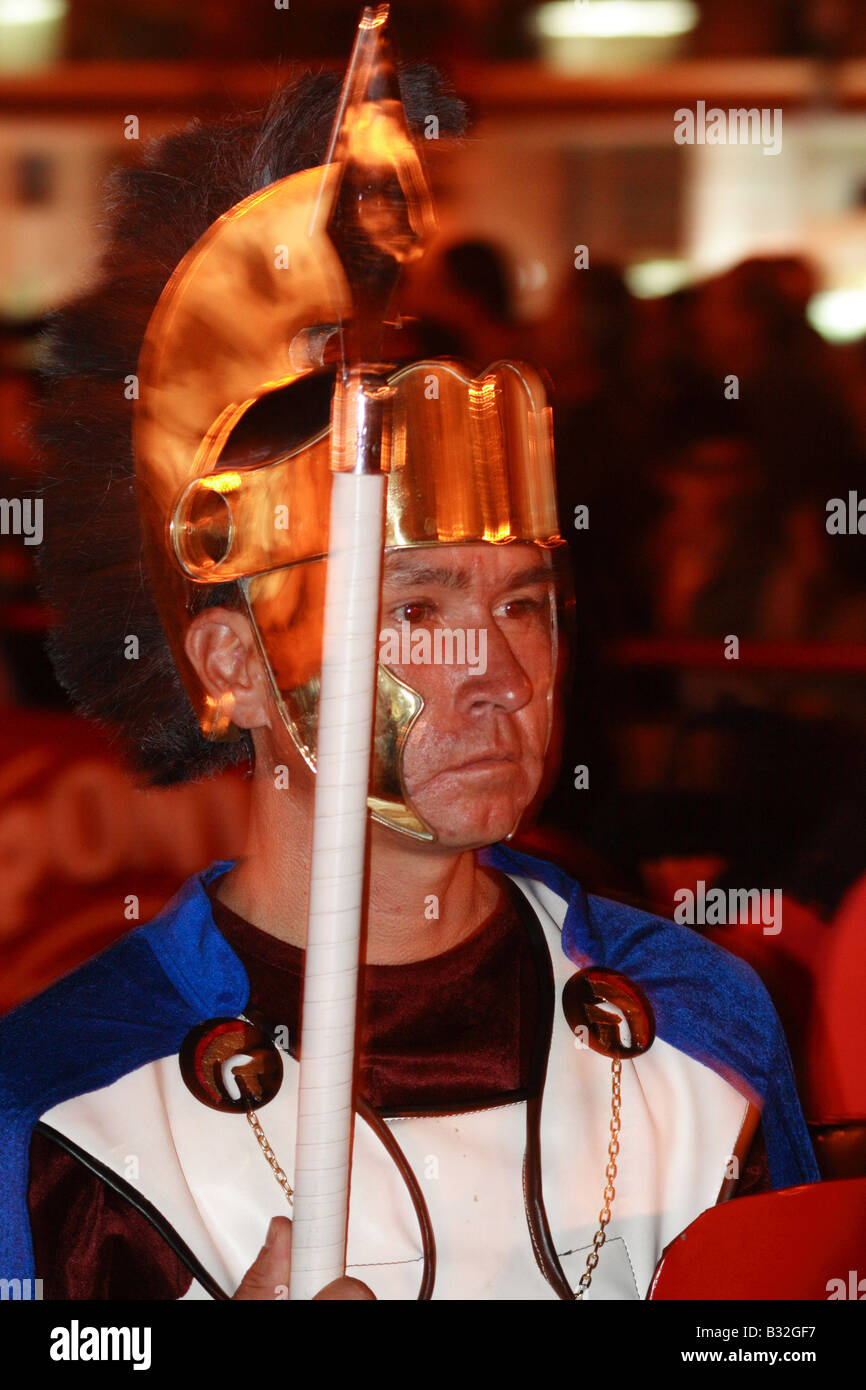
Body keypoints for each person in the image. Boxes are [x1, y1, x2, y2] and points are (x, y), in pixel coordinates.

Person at [0, 54, 817, 1304]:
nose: (493, 670)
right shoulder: (67, 1101)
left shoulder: (699, 1016)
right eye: (413, 610)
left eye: (525, 607)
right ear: (234, 664)